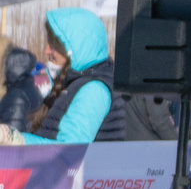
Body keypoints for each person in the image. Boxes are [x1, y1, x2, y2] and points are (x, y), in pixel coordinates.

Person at [26, 8, 121, 145]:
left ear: (75, 48)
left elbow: (70, 150)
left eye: (53, 45)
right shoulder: (76, 83)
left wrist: (18, 140)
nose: (46, 51)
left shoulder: (93, 90)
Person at [0, 46, 45, 142]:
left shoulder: (17, 96)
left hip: (9, 154)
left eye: (3, 65)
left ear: (11, 66)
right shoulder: (29, 89)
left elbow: (13, 134)